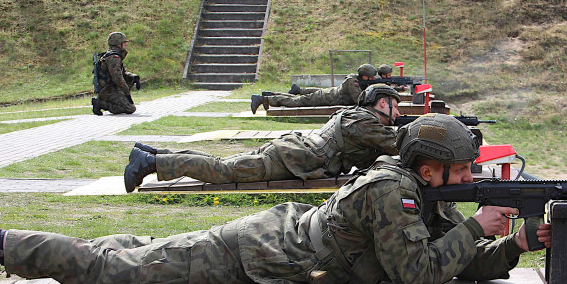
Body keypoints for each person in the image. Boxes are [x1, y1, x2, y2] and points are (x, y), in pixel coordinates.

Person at [0, 115, 550, 284]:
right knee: (111, 277)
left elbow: (438, 263)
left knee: (132, 258)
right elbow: (416, 274)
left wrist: (515, 245)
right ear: (430, 166)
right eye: (464, 169)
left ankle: (84, 243)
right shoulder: (394, 193)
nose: (469, 179)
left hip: (275, 245)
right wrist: (475, 226)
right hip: (260, 252)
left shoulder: (415, 193)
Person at [124, 84, 403, 192]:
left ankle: (155, 156)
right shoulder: (365, 124)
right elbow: (396, 142)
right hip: (294, 159)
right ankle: (151, 163)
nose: (398, 111)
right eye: (395, 104)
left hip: (291, 152)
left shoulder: (355, 115)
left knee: (222, 164)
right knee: (223, 171)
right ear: (382, 103)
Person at [251, 64, 376, 113]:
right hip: (325, 98)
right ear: (365, 76)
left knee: (299, 98)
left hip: (328, 96)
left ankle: (270, 96)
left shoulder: (356, 80)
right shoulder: (353, 82)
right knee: (296, 102)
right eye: (370, 78)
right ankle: (263, 99)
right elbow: (358, 99)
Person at [93, 32, 138, 116]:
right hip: (108, 90)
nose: (125, 45)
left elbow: (121, 73)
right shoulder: (113, 57)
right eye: (124, 43)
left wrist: (133, 77)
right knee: (130, 109)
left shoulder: (114, 56)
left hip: (111, 88)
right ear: (118, 44)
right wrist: (127, 93)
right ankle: (101, 104)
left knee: (129, 106)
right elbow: (118, 78)